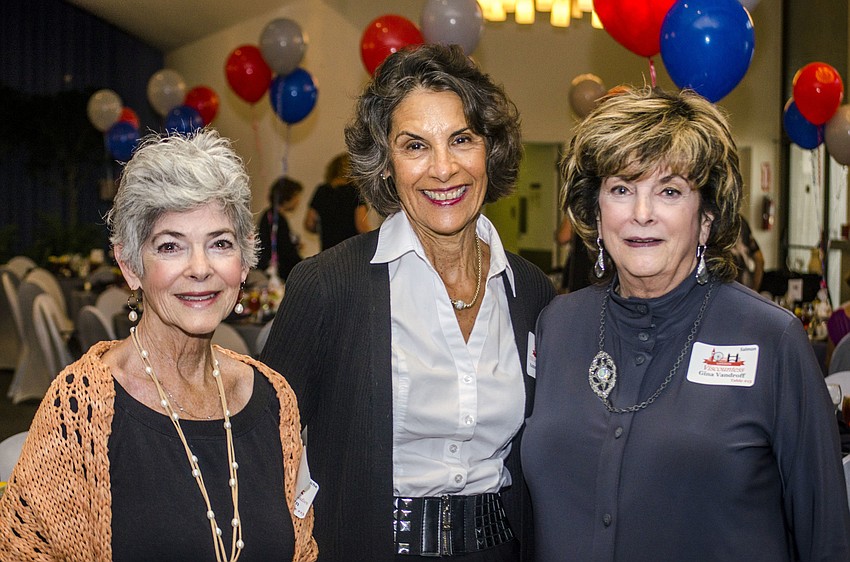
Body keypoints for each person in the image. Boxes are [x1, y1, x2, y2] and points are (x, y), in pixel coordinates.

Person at [522, 87, 850, 561]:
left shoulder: (769, 339)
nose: (641, 213)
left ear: (706, 219)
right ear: (597, 211)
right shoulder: (557, 326)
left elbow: (827, 539)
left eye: (669, 191)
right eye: (621, 189)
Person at [261, 44, 555, 561]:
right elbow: (262, 447)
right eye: (415, 146)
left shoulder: (530, 292)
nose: (443, 169)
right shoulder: (328, 285)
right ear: (385, 163)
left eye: (461, 139)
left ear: (490, 149)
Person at [0, 130, 317, 561]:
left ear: (243, 262)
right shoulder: (80, 409)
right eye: (171, 246)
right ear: (131, 265)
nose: (200, 268)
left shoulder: (274, 399)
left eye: (220, 243)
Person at [304, 152, 370, 250]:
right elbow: (361, 225)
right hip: (351, 250)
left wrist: (327, 229)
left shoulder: (322, 190)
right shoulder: (353, 191)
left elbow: (309, 223)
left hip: (327, 251)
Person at [257, 175, 303, 280]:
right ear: (287, 197)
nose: (298, 200)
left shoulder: (270, 215)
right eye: (296, 196)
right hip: (276, 274)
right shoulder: (277, 219)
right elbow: (285, 250)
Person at [732, 214, 764, 290]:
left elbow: (760, 260)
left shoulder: (740, 223)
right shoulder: (740, 221)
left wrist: (754, 289)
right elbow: (760, 260)